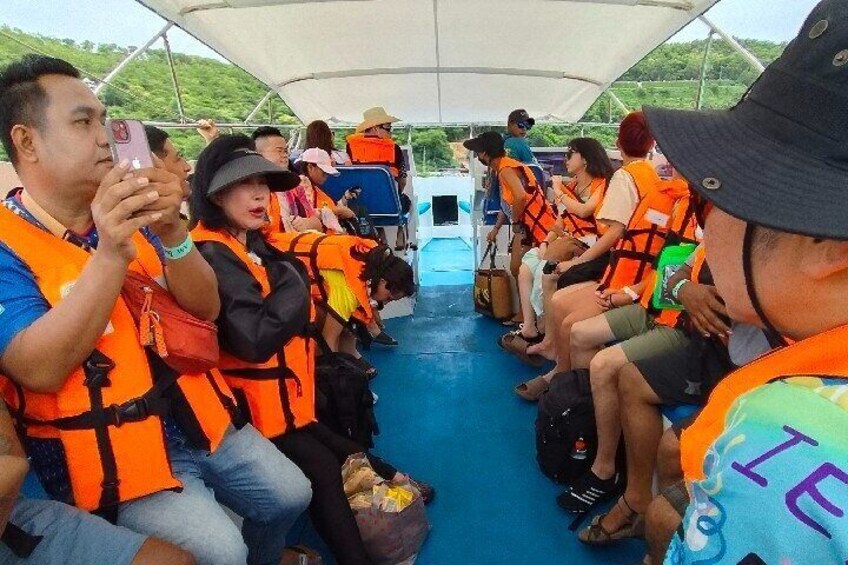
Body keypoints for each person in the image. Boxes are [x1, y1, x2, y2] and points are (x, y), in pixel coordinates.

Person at [0, 55, 312, 565]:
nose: (105, 137)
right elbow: (37, 368)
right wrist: (110, 253)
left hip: (198, 416)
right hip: (117, 455)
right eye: (83, 122)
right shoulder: (7, 245)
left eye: (104, 120)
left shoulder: (139, 215)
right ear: (27, 142)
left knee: (292, 494)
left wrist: (172, 233)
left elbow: (205, 306)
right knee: (222, 551)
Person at [644, 2, 848, 561]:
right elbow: (672, 273)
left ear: (831, 249)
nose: (706, 223)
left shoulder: (782, 446)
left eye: (718, 197)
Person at [190, 135, 425, 565]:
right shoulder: (213, 254)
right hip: (250, 411)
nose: (260, 194)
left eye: (263, 183)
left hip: (283, 403)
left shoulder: (250, 245)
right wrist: (295, 284)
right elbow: (253, 339)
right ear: (216, 194)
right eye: (244, 184)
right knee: (322, 468)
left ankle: (399, 479)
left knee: (341, 446)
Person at [517, 111, 658, 400]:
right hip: (634, 270)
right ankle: (555, 357)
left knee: (567, 311)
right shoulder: (651, 175)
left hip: (626, 277)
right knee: (558, 299)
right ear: (652, 144)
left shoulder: (624, 178)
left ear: (618, 142)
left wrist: (577, 261)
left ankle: (562, 380)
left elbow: (613, 232)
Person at [0, 400, 193, 564]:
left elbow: (14, 462)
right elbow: (46, 378)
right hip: (95, 475)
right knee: (207, 543)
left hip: (12, 514)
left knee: (175, 560)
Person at [499, 137, 613, 364]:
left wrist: (559, 191)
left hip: (587, 245)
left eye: (570, 154)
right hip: (566, 239)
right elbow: (560, 222)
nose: (565, 159)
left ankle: (547, 331)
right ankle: (530, 326)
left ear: (586, 159)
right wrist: (544, 242)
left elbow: (584, 211)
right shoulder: (572, 186)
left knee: (546, 268)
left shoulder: (601, 185)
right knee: (526, 266)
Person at [464, 131, 557, 282]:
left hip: (538, 229)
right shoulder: (504, 167)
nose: (478, 156)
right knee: (517, 270)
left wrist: (515, 221)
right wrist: (496, 229)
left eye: (478, 152)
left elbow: (520, 196)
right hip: (527, 228)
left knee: (519, 270)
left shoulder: (506, 170)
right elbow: (506, 203)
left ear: (485, 154)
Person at [346, 107, 411, 250]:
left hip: (359, 205)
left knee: (371, 213)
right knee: (406, 202)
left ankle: (379, 240)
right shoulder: (394, 148)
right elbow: (402, 179)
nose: (390, 132)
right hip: (389, 206)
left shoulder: (350, 147)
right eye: (388, 128)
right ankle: (401, 228)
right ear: (376, 128)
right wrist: (397, 193)